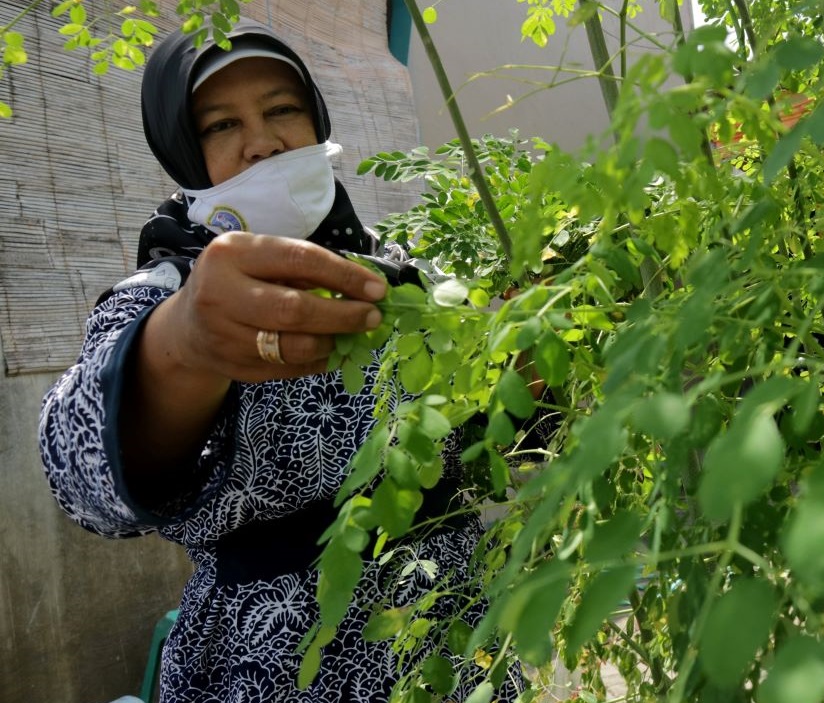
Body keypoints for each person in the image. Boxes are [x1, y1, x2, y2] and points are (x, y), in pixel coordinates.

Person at [38, 20, 523, 702]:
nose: (262, 141)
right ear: (181, 148)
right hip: (273, 663)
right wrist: (182, 348)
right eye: (220, 124)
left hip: (450, 646)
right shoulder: (167, 295)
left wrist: (528, 360)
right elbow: (77, 474)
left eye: (281, 110)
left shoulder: (407, 278)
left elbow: (496, 434)